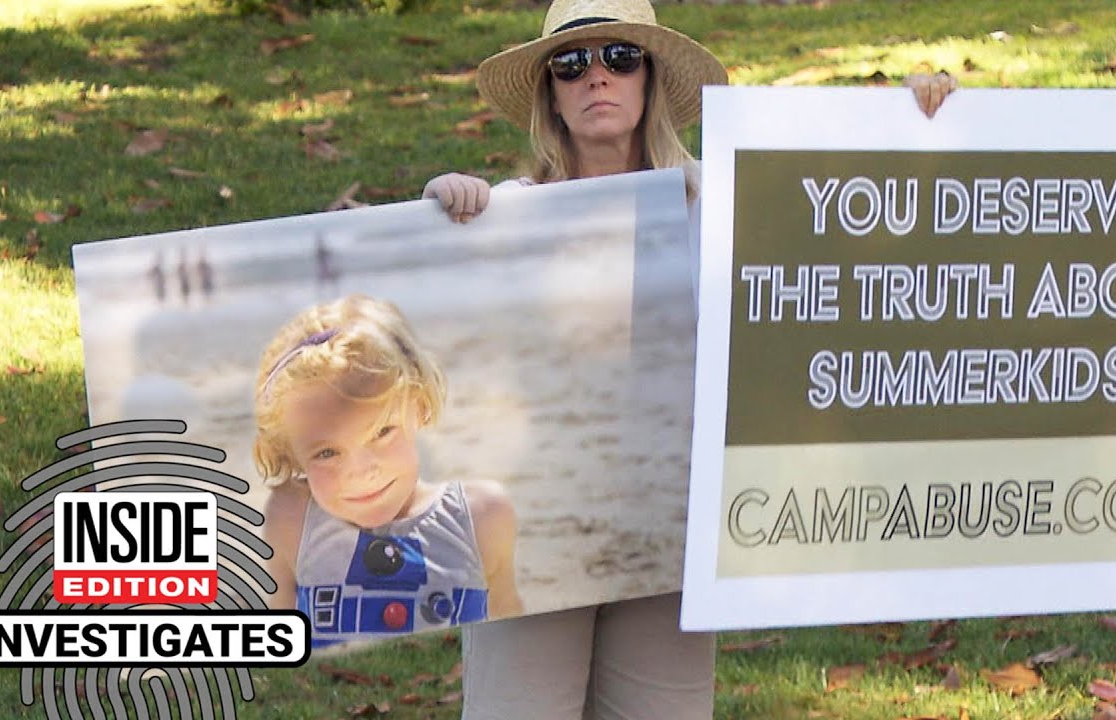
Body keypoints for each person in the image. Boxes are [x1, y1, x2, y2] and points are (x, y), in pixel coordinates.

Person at [422, 0, 954, 715]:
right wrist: (439, 214)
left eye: (620, 58)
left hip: (673, 532)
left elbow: (856, 238)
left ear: (650, 79)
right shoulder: (506, 213)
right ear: (551, 91)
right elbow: (419, 324)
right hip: (538, 538)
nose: (597, 78)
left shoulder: (728, 195)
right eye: (572, 64)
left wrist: (920, 123)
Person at [252, 294, 523, 649]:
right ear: (292, 457)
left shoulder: (481, 519)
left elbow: (512, 637)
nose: (361, 471)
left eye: (382, 432)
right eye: (327, 452)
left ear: (420, 405)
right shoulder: (291, 520)